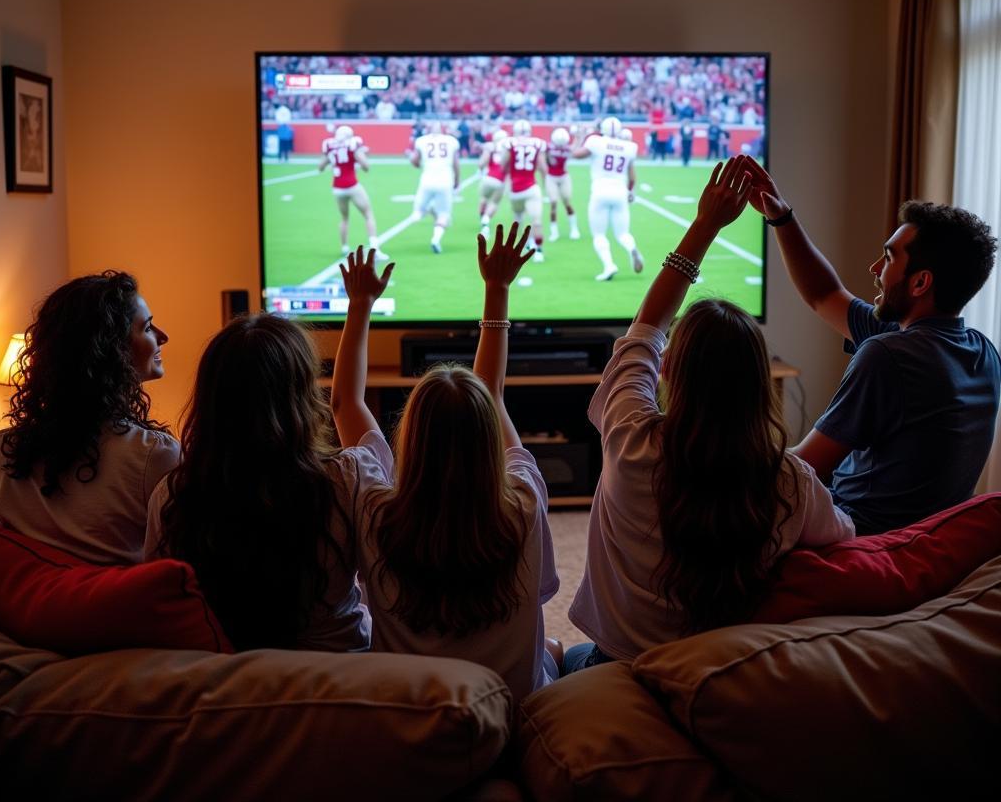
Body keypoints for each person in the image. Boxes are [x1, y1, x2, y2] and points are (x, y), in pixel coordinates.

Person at [565, 157, 855, 672]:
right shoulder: (789, 478)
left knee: (560, 661)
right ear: (757, 381)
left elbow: (644, 331)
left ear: (669, 369)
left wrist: (704, 226)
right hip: (729, 668)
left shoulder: (629, 435)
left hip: (618, 665)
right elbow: (843, 544)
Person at [332, 232, 561, 705]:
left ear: (410, 435)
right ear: (487, 439)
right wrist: (497, 288)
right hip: (510, 716)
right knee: (565, 651)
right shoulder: (523, 498)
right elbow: (492, 394)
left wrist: (360, 305)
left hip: (409, 712)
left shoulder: (374, 507)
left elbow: (344, 403)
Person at [743, 155, 1000, 533]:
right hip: (925, 542)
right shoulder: (982, 351)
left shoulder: (889, 356)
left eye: (888, 258)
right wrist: (781, 216)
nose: (874, 270)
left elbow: (798, 471)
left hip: (858, 542)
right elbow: (824, 294)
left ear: (919, 283)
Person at [145, 314, 374, 652]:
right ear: (303, 394)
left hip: (228, 675)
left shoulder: (174, 494)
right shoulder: (348, 478)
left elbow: (161, 597)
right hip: (336, 676)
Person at [0, 271, 178, 565]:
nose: (163, 337)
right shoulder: (156, 457)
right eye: (147, 328)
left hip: (22, 611)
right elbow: (177, 570)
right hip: (118, 610)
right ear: (112, 349)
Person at [571, 116, 643, 281]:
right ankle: (631, 248)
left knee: (599, 234)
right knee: (623, 233)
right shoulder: (629, 146)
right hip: (620, 191)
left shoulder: (596, 141)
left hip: (600, 190)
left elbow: (575, 154)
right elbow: (632, 178)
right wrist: (630, 192)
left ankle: (609, 265)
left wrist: (579, 138)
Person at [317, 124, 388, 260]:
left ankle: (344, 247)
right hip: (352, 185)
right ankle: (375, 249)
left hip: (337, 187)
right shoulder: (352, 144)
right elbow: (366, 166)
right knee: (368, 215)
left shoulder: (330, 146)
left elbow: (320, 167)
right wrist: (361, 157)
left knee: (344, 218)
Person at [408, 120, 460, 253]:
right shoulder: (451, 141)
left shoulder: (421, 141)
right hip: (445, 180)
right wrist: (457, 181)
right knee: (444, 214)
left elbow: (414, 161)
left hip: (427, 179)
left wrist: (418, 163)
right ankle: (435, 240)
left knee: (418, 212)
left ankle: (428, 209)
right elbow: (456, 163)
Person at [500, 119, 547, 262]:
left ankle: (521, 246)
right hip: (531, 186)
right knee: (536, 220)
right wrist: (545, 185)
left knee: (518, 218)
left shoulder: (509, 143)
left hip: (516, 189)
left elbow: (503, 164)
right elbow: (543, 167)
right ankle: (538, 250)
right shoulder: (537, 143)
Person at [545, 127, 580, 242]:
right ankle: (554, 231)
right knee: (554, 202)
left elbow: (575, 147)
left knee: (567, 202)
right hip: (551, 177)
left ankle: (574, 229)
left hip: (564, 177)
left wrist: (578, 135)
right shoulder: (548, 148)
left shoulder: (567, 149)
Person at [478, 127, 509, 238]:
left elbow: (481, 163)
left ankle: (482, 219)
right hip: (500, 181)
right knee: (494, 203)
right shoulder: (509, 148)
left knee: (483, 199)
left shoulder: (491, 147)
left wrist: (481, 172)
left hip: (488, 178)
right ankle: (485, 221)